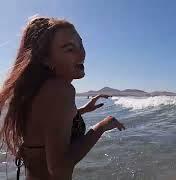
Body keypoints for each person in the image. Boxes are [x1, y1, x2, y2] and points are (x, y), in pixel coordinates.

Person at [0, 16, 125, 180]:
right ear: (46, 59)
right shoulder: (61, 90)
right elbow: (60, 169)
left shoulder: (40, 89)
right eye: (69, 49)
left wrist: (82, 110)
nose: (82, 54)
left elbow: (48, 126)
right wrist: (101, 127)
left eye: (81, 45)